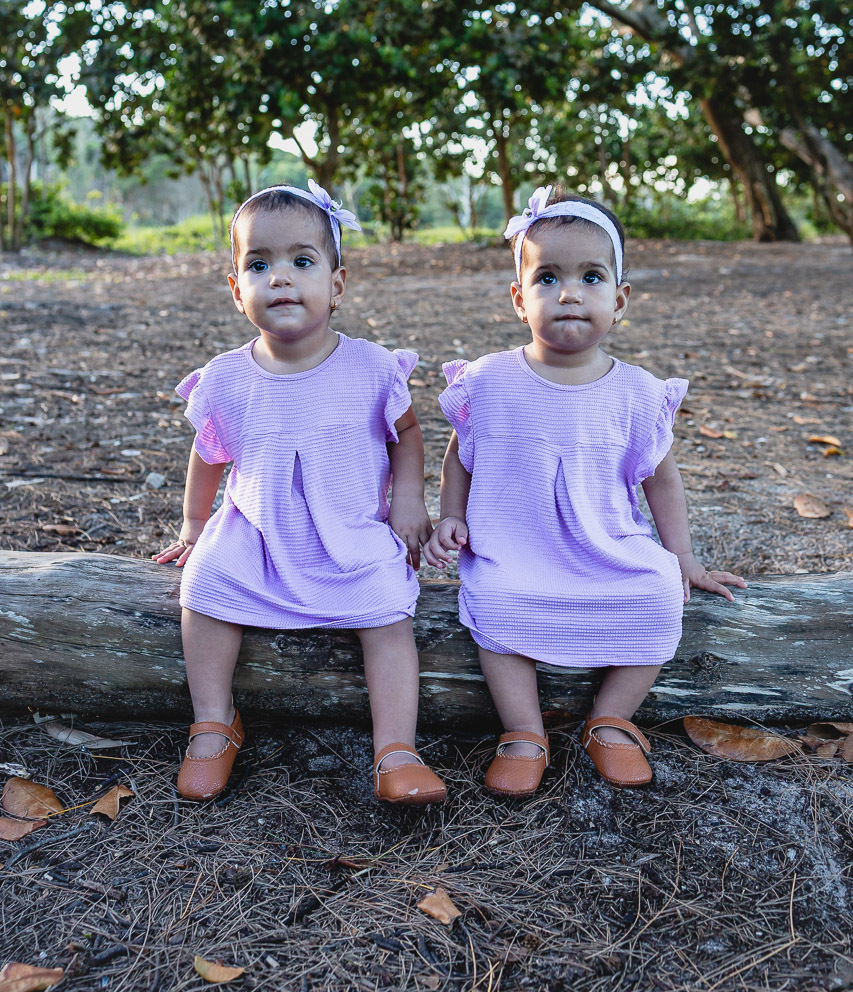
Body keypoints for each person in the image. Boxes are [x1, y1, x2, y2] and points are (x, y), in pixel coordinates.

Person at [424, 186, 745, 795]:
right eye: (547, 278)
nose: (568, 293)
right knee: (496, 599)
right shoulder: (490, 381)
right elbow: (460, 456)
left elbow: (662, 479)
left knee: (657, 593)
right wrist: (451, 516)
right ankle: (523, 730)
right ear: (519, 299)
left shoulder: (637, 392)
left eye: (590, 277)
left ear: (619, 300)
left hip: (606, 543)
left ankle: (612, 718)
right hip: (517, 544)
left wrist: (683, 555)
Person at [154, 182, 445, 806]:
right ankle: (214, 721)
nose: (280, 278)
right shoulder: (227, 377)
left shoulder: (369, 367)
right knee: (204, 586)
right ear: (237, 290)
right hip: (256, 528)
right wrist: (193, 525)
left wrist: (409, 501)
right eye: (259, 264)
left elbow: (407, 432)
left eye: (302, 261)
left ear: (336, 285)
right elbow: (209, 453)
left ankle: (396, 748)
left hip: (350, 529)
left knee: (389, 610)